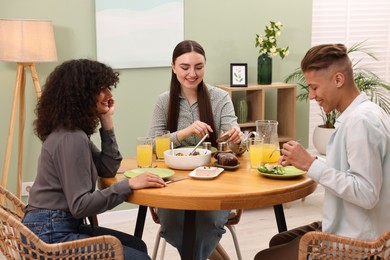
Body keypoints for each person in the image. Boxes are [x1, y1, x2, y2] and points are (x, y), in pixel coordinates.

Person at [254, 43, 390, 259]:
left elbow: (367, 193)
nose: (311, 96)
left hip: (360, 244)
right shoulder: (362, 114)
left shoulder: (361, 122)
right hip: (353, 226)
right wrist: (307, 160)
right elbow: (352, 172)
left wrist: (311, 165)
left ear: (338, 79)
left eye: (314, 87)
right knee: (278, 242)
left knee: (265, 257)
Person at [22, 59, 166, 260]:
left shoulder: (73, 132)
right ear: (82, 94)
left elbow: (107, 168)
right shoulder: (71, 138)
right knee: (139, 258)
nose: (109, 94)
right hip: (50, 233)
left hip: (53, 225)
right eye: (102, 89)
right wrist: (129, 185)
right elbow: (81, 205)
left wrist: (107, 121)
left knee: (137, 245)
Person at [148, 40, 242, 259]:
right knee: (173, 225)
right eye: (185, 67)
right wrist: (184, 133)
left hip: (215, 184)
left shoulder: (220, 98)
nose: (192, 73)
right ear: (173, 67)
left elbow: (236, 146)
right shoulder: (164, 101)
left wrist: (237, 139)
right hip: (172, 186)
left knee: (207, 224)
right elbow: (152, 144)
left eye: (198, 67)